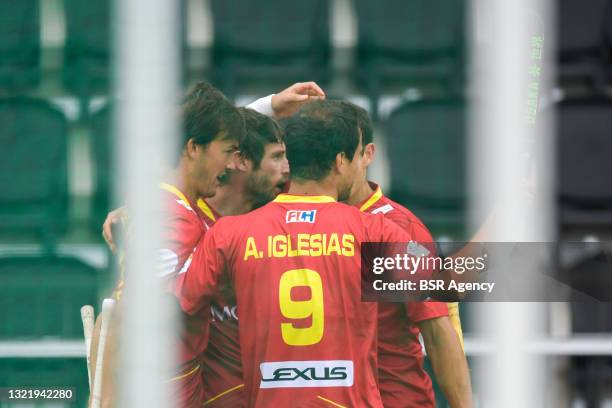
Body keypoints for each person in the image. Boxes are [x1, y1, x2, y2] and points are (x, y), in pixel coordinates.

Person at [93, 81, 324, 408]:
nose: (287, 170)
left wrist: (269, 106)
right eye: (277, 157)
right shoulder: (179, 217)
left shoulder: (388, 228)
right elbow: (124, 316)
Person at [179, 111, 421, 407]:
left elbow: (176, 305)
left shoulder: (227, 233)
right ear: (340, 161)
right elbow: (449, 291)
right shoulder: (378, 229)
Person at [297, 100, 472, 408]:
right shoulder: (292, 216)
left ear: (367, 155)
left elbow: (438, 333)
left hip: (394, 400)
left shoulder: (397, 227)